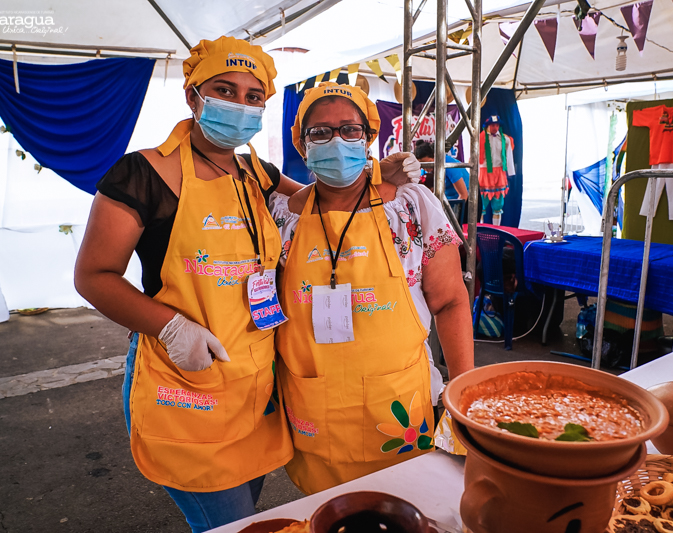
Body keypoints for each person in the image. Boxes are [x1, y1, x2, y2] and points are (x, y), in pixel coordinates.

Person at [74, 37, 421, 531]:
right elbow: (92, 276)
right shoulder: (144, 173)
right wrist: (172, 328)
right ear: (193, 96)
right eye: (224, 89)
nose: (240, 105)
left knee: (249, 514)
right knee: (229, 525)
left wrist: (376, 176)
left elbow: (319, 202)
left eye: (253, 96)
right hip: (187, 383)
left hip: (257, 391)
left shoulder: (254, 172)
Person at [269, 82, 474, 495]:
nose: (337, 140)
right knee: (329, 515)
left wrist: (464, 390)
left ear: (368, 138)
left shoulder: (411, 206)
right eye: (320, 132)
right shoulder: (281, 218)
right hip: (314, 410)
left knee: (409, 511)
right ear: (301, 143)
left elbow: (451, 300)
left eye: (350, 129)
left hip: (399, 409)